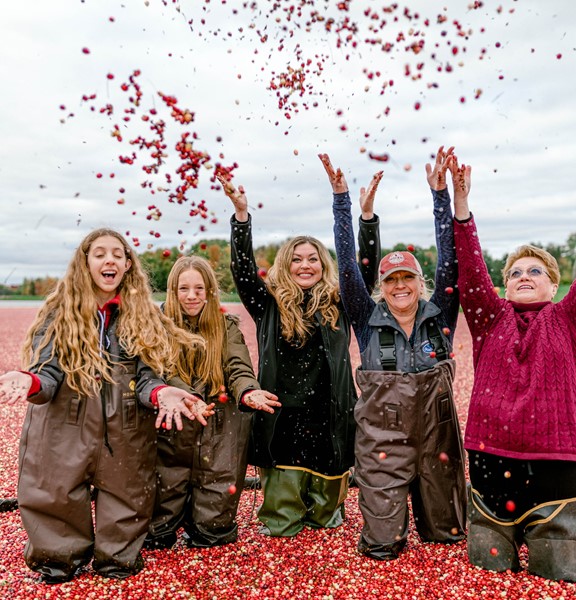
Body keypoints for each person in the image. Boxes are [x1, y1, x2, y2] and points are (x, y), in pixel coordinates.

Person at [0, 228, 213, 583]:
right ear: (85, 262)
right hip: (65, 424)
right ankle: (58, 560)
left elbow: (148, 377)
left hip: (125, 424)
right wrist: (30, 381)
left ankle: (118, 559)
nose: (109, 259)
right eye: (99, 253)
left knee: (128, 493)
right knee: (55, 490)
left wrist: (163, 394)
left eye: (117, 253)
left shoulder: (142, 316)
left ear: (128, 265)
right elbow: (47, 374)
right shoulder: (59, 314)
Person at [451, 157, 576, 582]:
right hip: (490, 461)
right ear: (504, 285)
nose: (523, 276)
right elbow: (470, 272)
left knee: (558, 575)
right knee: (487, 572)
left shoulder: (572, 318)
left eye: (535, 271)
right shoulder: (489, 318)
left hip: (556, 465)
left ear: (555, 285)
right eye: (514, 272)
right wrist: (462, 206)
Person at [322, 148, 467, 561]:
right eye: (391, 280)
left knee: (448, 538)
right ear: (381, 287)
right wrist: (342, 202)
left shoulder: (440, 315)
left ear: (420, 283)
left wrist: (440, 196)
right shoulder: (367, 320)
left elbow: (450, 260)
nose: (399, 286)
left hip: (436, 436)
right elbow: (348, 265)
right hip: (381, 440)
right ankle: (385, 529)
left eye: (408, 278)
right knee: (382, 544)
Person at [217, 173, 378, 537]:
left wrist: (366, 219)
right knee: (281, 523)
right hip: (283, 418)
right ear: (286, 264)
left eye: (313, 259)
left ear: (324, 264)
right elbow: (242, 271)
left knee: (326, 521)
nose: (305, 266)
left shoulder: (341, 302)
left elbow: (364, 274)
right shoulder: (267, 304)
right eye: (297, 259)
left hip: (330, 417)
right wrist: (241, 216)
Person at [145, 256, 280, 549]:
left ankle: (208, 530)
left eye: (199, 288)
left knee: (217, 495)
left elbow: (237, 366)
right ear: (172, 291)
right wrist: (186, 396)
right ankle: (163, 530)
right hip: (174, 419)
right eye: (183, 289)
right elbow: (160, 369)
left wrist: (247, 391)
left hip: (220, 422)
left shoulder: (225, 326)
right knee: (165, 489)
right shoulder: (156, 327)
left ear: (209, 290)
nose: (192, 296)